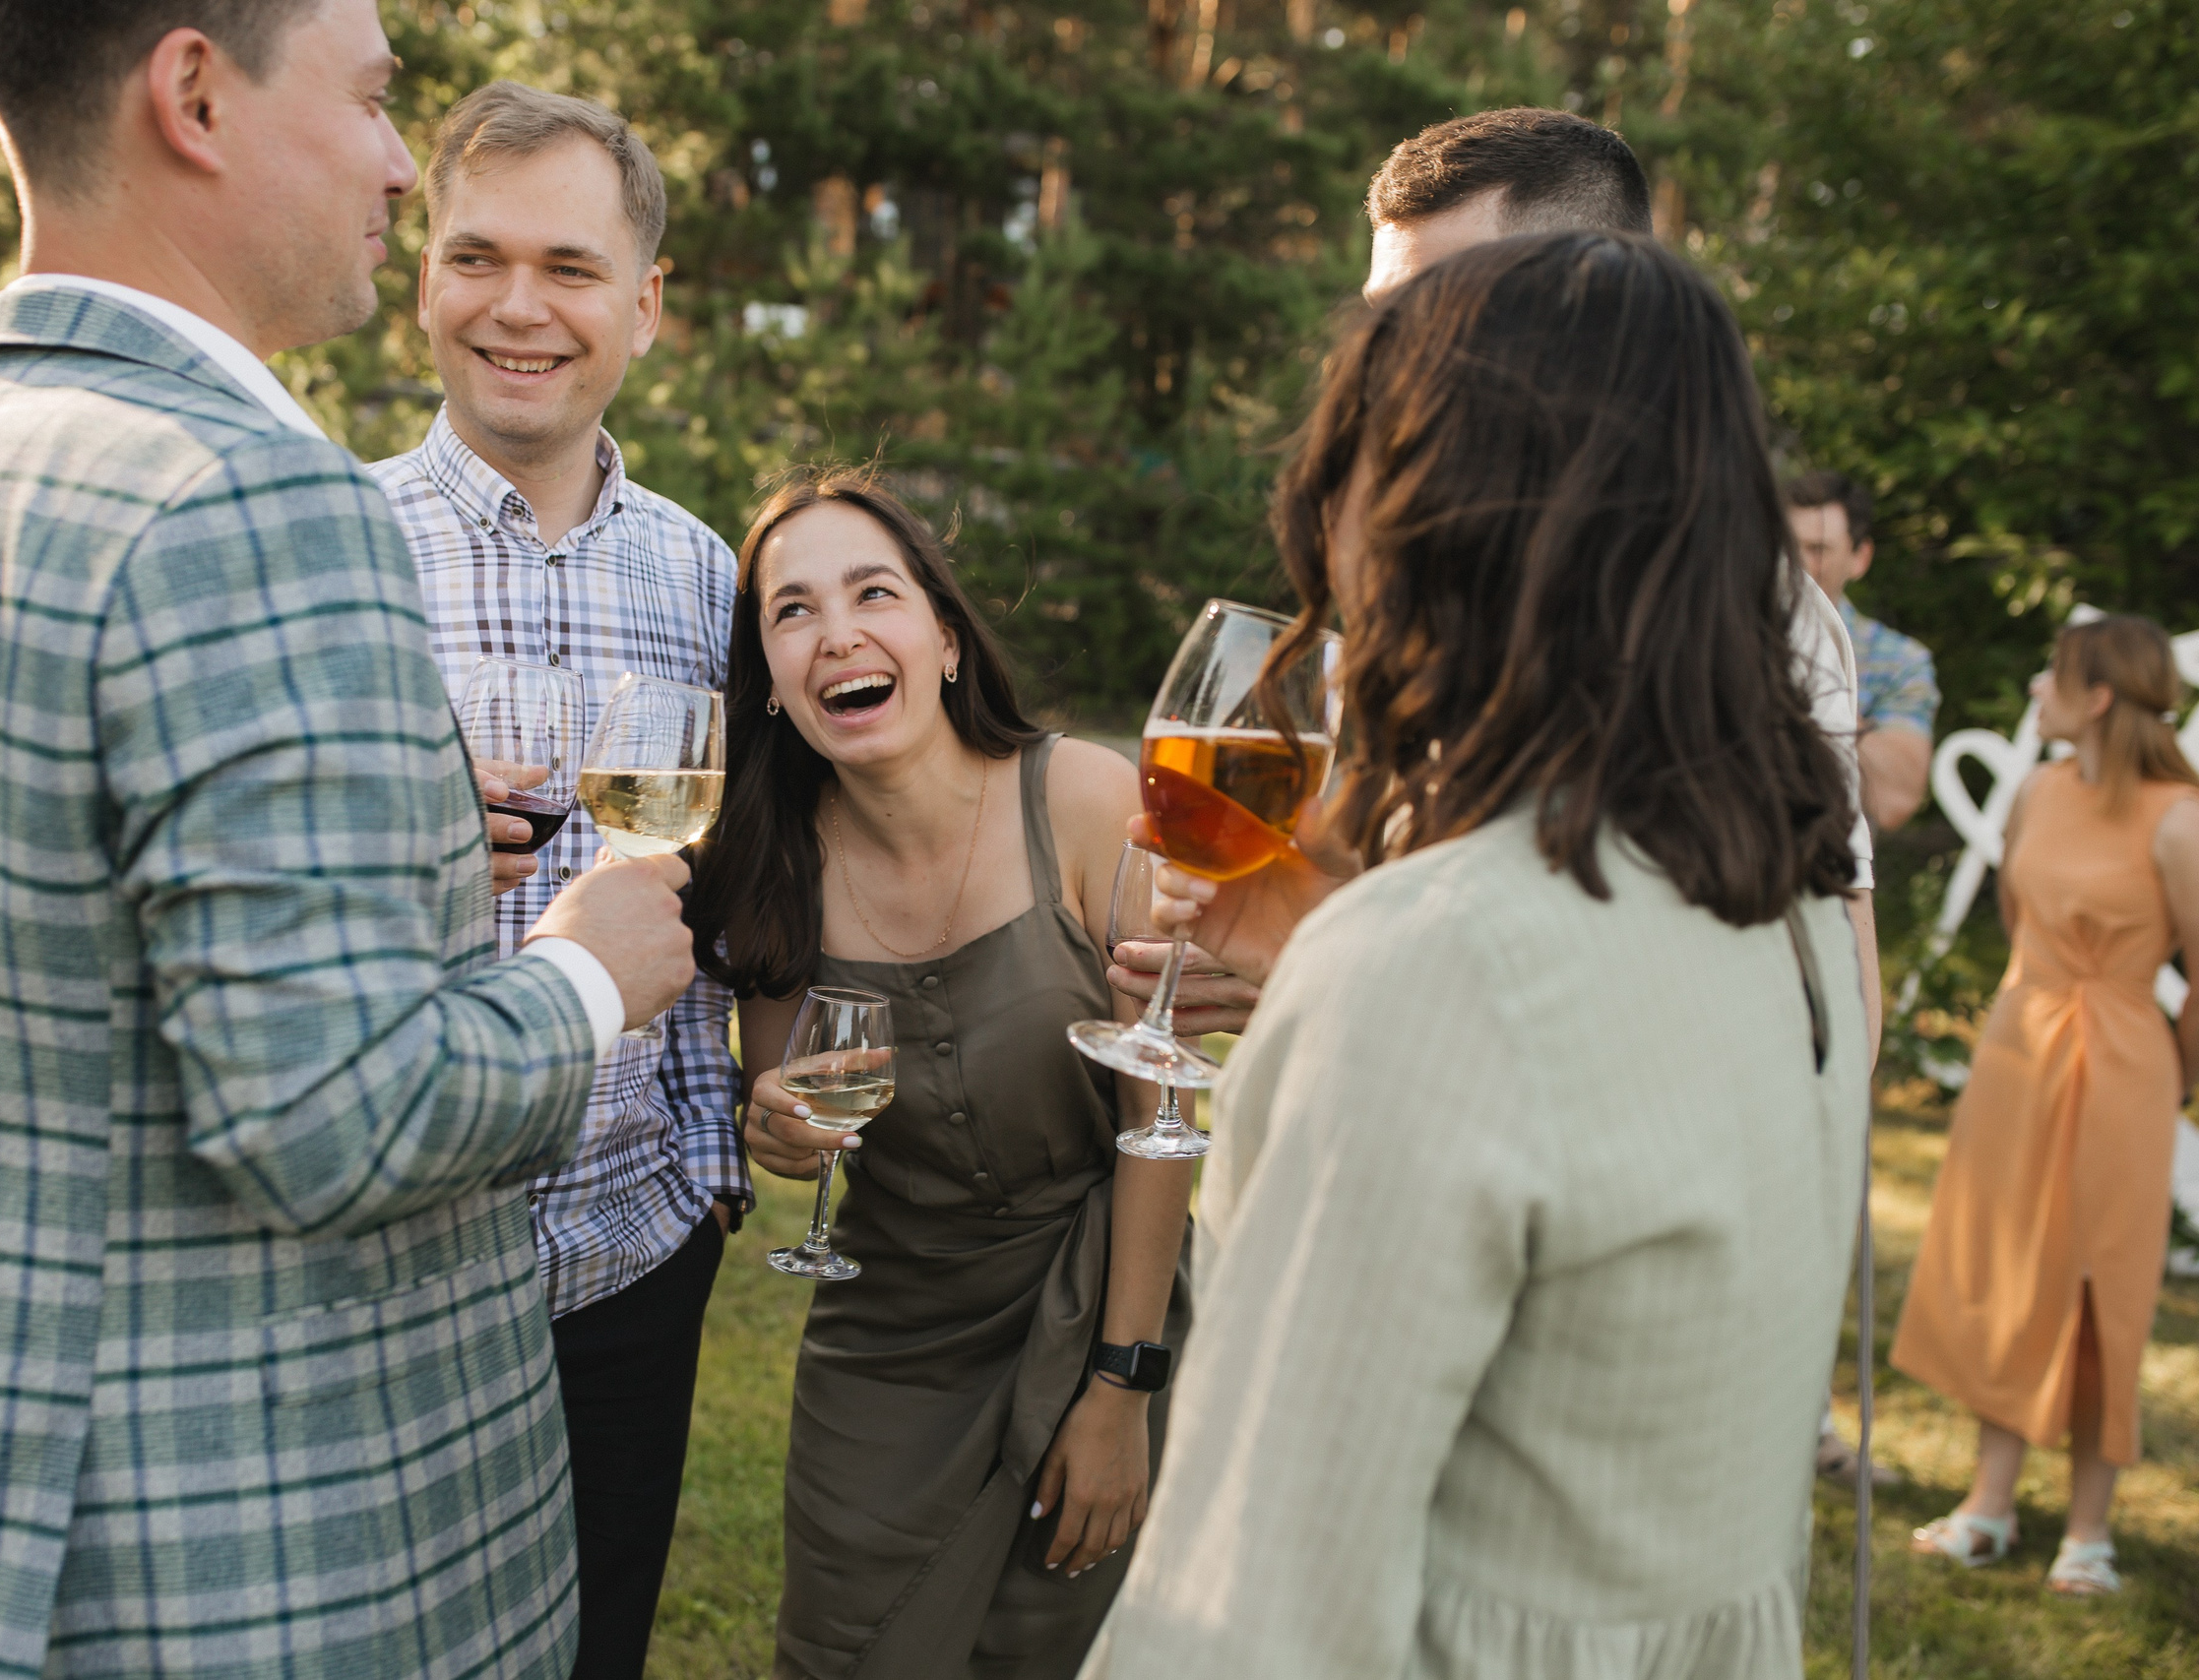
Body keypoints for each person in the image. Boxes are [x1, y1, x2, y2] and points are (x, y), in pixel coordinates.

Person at [0, 4, 699, 1676]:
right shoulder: (261, 499)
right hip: (218, 1571)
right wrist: (582, 978)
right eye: (375, 102)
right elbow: (337, 1114)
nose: (399, 165)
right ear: (194, 92)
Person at [1080, 230, 1870, 1678]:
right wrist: (1337, 948)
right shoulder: (1793, 904)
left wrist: (1364, 974)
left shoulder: (1439, 967)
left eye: (1355, 479)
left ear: (1438, 520)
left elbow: (1254, 1611)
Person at [1107, 106, 1884, 1060]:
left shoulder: (1729, 610)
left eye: (1435, 313)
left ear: (1587, 308)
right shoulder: (1436, 581)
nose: (1382, 362)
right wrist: (1303, 956)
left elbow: (1821, 1021)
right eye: (1379, 316)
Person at [687, 473, 1195, 1679]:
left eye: (875, 593)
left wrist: (1122, 1388)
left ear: (946, 638)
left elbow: (1159, 1118)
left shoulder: (1081, 803)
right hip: (889, 1352)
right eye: (793, 611)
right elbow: (796, 1115)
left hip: (1104, 1310)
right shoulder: (766, 868)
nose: (840, 634)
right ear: (767, 676)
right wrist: (777, 1131)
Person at [370, 81, 748, 1680]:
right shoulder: (321, 545)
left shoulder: (710, 572)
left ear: (646, 306)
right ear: (424, 278)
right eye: (477, 256)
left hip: (632, 1262)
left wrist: (718, 1174)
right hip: (383, 1273)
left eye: (571, 268)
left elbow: (726, 906)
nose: (518, 307)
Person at [1891, 615, 2199, 1597]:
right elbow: (2021, 922)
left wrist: (2171, 1077)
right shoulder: (2033, 790)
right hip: (2020, 1048)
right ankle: (1987, 1504)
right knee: (2004, 1258)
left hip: (2123, 1064)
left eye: (2053, 675)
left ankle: (2088, 1529)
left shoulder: (2181, 818)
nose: (2033, 687)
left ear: (2098, 695)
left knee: (2100, 1274)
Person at [1788, 467, 1938, 833]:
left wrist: (1813, 688)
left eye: (1817, 549)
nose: (1798, 566)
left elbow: (1895, 803)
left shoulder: (1901, 661)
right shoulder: (1720, 636)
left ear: (1860, 558)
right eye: (1785, 546)